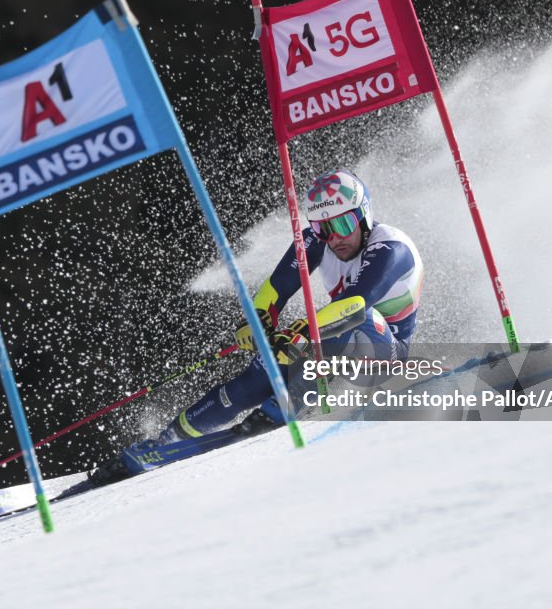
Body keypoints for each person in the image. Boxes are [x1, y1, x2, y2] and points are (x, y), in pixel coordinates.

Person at [91, 169, 424, 483]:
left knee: (351, 319)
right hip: (335, 345)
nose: (334, 237)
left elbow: (355, 305)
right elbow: (274, 290)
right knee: (259, 373)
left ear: (363, 215)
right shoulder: (314, 241)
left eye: (343, 223)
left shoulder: (391, 247)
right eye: (324, 227)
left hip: (384, 354)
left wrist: (304, 331)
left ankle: (283, 409)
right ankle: (167, 440)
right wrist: (258, 323)